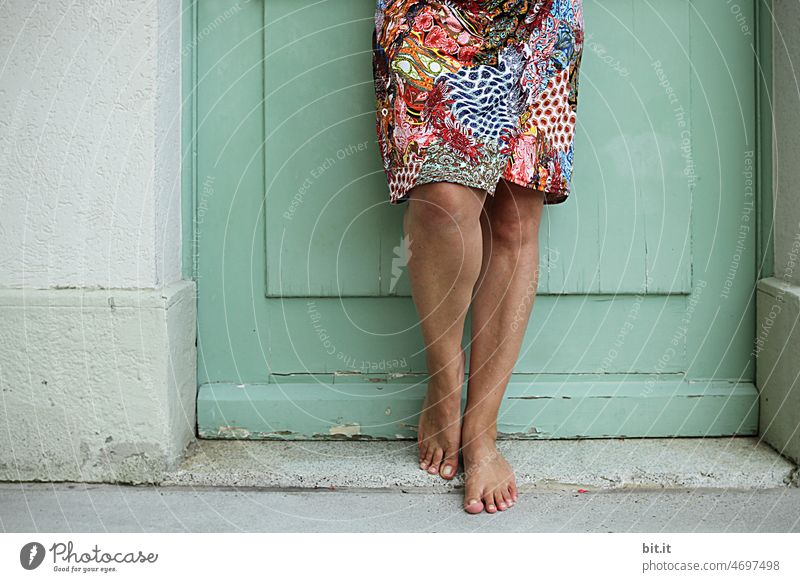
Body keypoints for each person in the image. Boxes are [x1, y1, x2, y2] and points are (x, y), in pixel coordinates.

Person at [371, 0, 584, 514]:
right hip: (431, 12)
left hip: (539, 15)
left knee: (514, 218)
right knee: (443, 202)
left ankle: (482, 429)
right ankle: (445, 383)